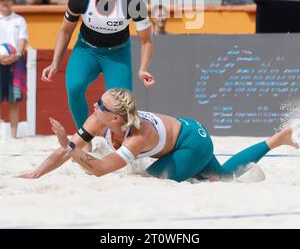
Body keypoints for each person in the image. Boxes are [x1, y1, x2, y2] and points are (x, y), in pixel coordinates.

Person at [19, 88, 300, 182]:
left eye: (101, 104)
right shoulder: (98, 119)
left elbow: (101, 170)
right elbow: (65, 151)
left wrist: (69, 146)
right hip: (187, 130)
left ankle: (278, 140)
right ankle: (279, 139)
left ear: (115, 118)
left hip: (191, 144)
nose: (95, 105)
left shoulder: (139, 136)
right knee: (224, 176)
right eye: (98, 101)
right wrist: (35, 173)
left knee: (151, 178)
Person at [40, 0, 155, 130]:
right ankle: (84, 136)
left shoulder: (132, 0)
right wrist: (55, 63)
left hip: (117, 54)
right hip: (86, 50)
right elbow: (65, 32)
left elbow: (146, 40)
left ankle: (121, 143)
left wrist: (143, 68)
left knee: (122, 105)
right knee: (75, 87)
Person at [0, 0, 27, 139]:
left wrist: (17, 55)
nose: (4, 2)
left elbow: (22, 40)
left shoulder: (19, 20)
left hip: (15, 63)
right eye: (2, 0)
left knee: (15, 100)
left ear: (11, 1)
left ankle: (13, 135)